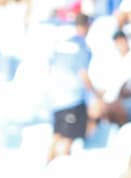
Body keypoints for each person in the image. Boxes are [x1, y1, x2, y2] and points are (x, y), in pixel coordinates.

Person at [47, 14, 94, 162]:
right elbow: (83, 74)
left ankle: (47, 167)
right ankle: (59, 172)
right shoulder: (81, 46)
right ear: (86, 26)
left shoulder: (61, 44)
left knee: (57, 136)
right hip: (73, 99)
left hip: (56, 99)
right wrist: (94, 94)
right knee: (68, 139)